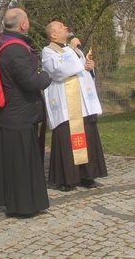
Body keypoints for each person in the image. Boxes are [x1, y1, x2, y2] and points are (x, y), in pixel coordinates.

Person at [0, 8, 52, 217]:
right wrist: (46, 77)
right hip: (19, 112)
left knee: (11, 161)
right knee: (22, 162)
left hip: (8, 111)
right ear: (22, 25)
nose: (29, 23)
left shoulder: (2, 42)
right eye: (27, 19)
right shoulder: (15, 49)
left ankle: (9, 199)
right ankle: (23, 205)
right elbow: (29, 81)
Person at [42, 22, 107, 190]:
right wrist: (71, 49)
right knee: (67, 139)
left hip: (82, 103)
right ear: (53, 35)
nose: (66, 27)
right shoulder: (48, 51)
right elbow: (59, 71)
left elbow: (81, 70)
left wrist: (90, 68)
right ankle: (67, 179)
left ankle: (87, 175)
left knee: (87, 137)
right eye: (61, 26)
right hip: (66, 105)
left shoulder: (75, 50)